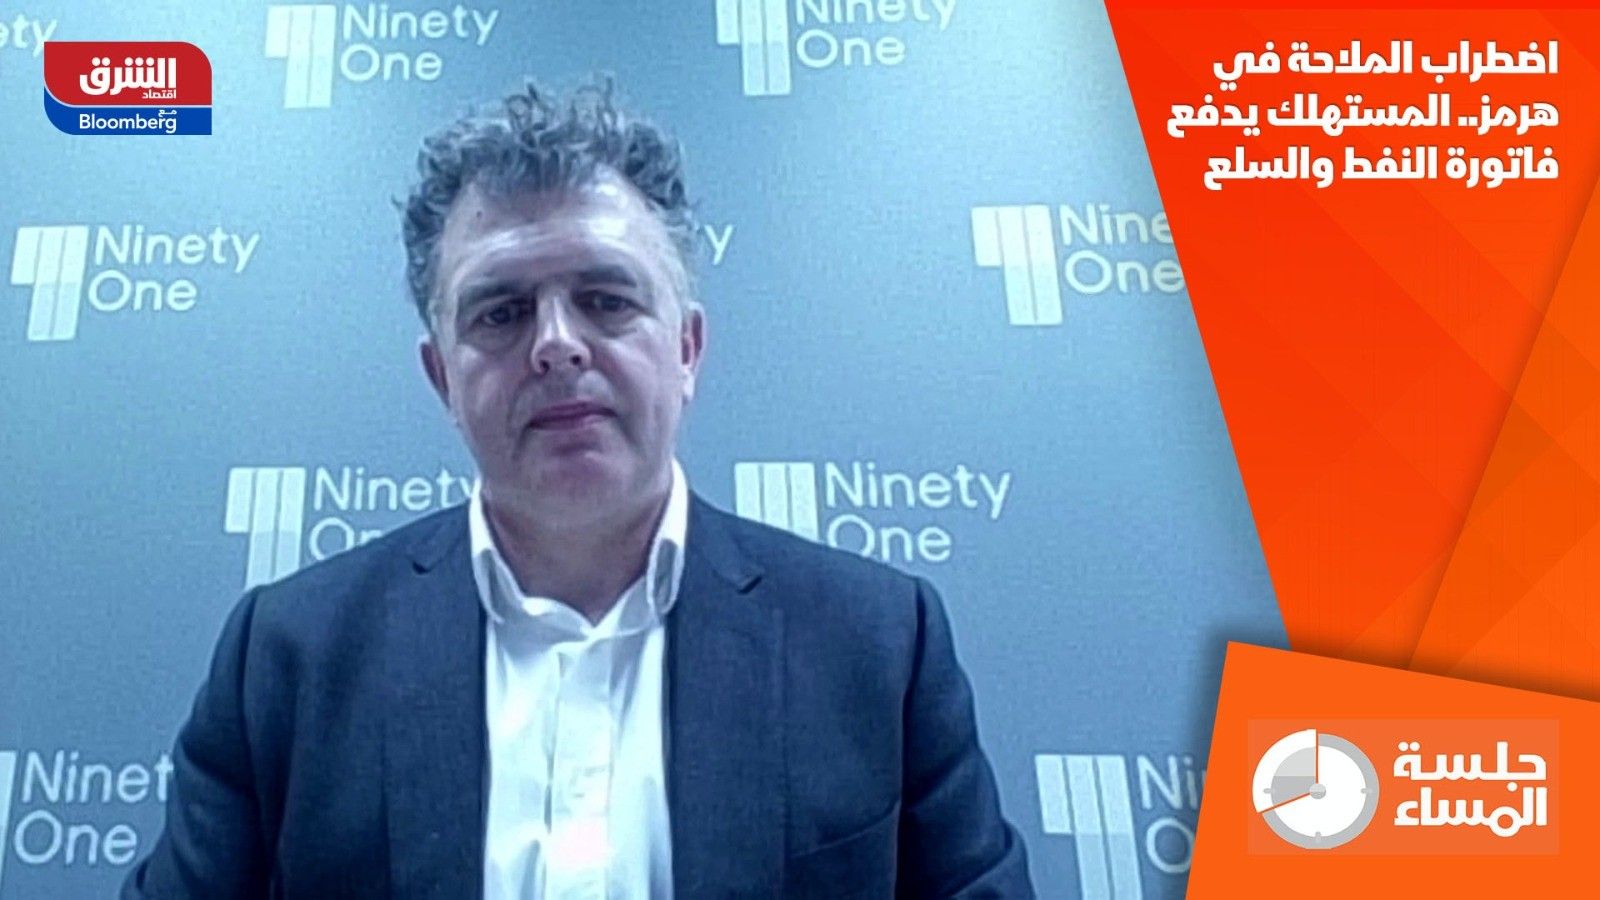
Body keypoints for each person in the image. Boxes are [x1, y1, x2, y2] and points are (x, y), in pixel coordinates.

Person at [123, 77, 1033, 899]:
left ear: (686, 350)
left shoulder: (877, 644)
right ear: (442, 378)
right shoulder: (288, 657)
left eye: (606, 300)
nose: (556, 345)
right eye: (501, 312)